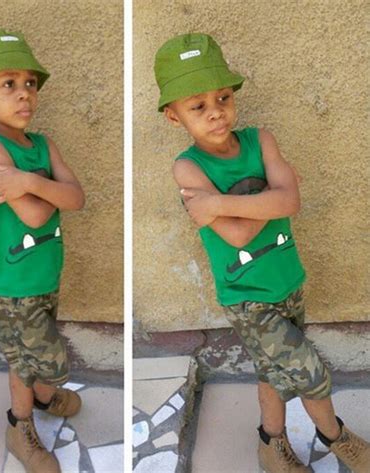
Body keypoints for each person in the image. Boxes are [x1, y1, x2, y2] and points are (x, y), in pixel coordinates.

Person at [154, 32, 370, 473]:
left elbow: (291, 202)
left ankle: (272, 445)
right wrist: (271, 194)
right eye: (197, 106)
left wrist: (220, 203)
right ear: (174, 117)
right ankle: (336, 437)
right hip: (248, 298)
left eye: (223, 97)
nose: (216, 111)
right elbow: (237, 236)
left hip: (288, 281)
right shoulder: (188, 167)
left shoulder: (260, 139)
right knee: (311, 373)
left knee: (273, 371)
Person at [0, 28, 85, 473]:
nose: (24, 94)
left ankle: (44, 397)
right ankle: (20, 426)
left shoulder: (43, 146)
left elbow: (77, 198)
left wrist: (31, 180)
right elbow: (36, 215)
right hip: (11, 284)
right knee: (27, 361)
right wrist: (50, 187)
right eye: (8, 84)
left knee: (34, 351)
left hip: (44, 276)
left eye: (30, 83)